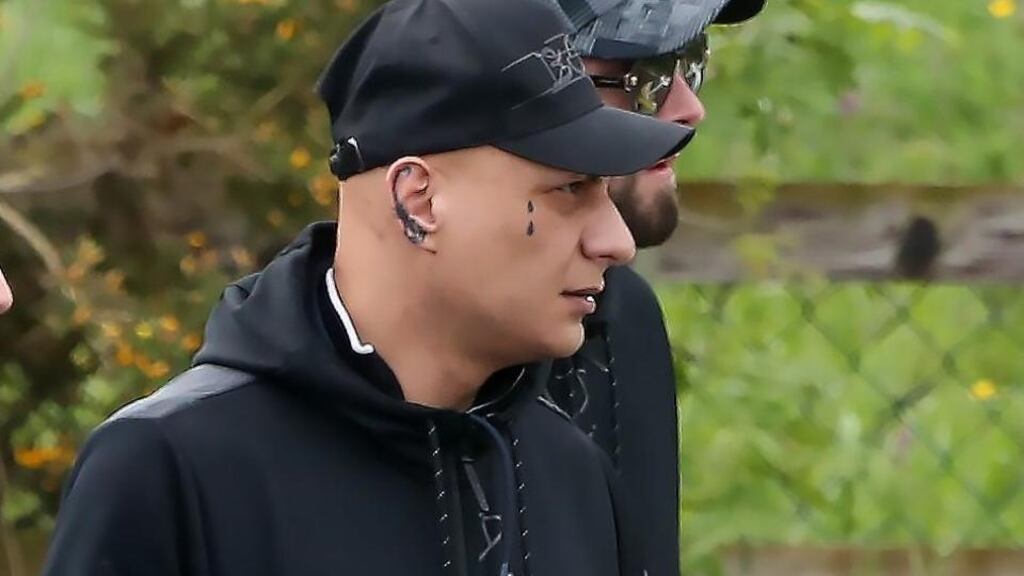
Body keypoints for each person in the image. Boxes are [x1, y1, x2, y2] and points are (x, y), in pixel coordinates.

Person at [43, 0, 692, 574]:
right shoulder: (169, 469)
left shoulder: (573, 479)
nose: (616, 241)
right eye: (571, 189)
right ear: (419, 200)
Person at [545, 1, 766, 574]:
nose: (690, 109)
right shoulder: (303, 383)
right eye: (645, 79)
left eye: (688, 63)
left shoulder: (620, 318)